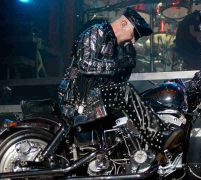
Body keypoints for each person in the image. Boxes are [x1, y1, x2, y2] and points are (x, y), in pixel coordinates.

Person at [58, 7, 183, 160]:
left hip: (94, 97)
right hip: (78, 98)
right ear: (124, 23)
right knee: (123, 92)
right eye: (134, 34)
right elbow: (85, 64)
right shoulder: (97, 31)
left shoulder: (112, 44)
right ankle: (159, 136)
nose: (133, 40)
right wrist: (116, 64)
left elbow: (115, 78)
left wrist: (128, 63)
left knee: (126, 120)